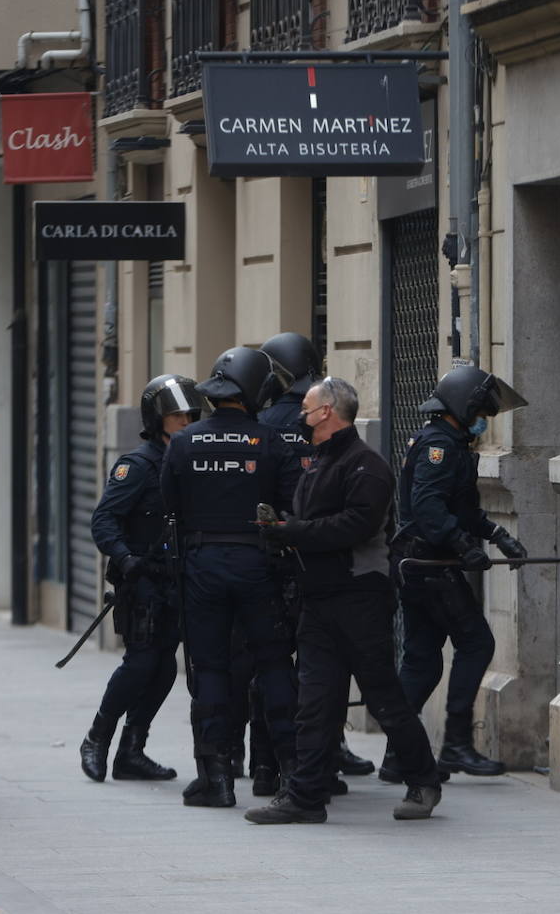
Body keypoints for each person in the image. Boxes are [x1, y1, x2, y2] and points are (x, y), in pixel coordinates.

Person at [245, 377, 442, 824]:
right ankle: (306, 797)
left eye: (309, 410)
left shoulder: (365, 467)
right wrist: (282, 532)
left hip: (360, 598)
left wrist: (292, 533)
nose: (301, 417)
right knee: (315, 701)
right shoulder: (318, 463)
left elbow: (353, 526)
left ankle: (424, 779)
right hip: (319, 599)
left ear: (329, 412)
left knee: (383, 697)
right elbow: (314, 521)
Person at [160, 346, 300, 808]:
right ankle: (289, 774)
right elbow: (291, 507)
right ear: (257, 388)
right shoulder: (272, 441)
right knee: (276, 664)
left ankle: (215, 778)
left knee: (211, 668)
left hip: (201, 566)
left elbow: (170, 508)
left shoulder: (183, 442)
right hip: (259, 565)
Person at [384, 365, 528, 782]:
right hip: (428, 563)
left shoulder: (450, 442)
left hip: (422, 561)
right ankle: (456, 746)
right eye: (483, 410)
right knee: (476, 642)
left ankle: (399, 756)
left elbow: (462, 509)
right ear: (465, 406)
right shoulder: (439, 446)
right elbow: (429, 508)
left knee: (422, 662)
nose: (485, 420)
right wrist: (464, 545)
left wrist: (497, 535)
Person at [259, 332, 375, 787]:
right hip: (325, 557)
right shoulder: (332, 428)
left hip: (279, 550)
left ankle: (269, 763)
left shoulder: (266, 420)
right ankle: (328, 753)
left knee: (273, 663)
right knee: (326, 666)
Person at [79, 375, 206, 784]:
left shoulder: (189, 460)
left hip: (178, 580)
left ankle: (132, 750)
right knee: (141, 663)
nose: (185, 420)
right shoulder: (137, 465)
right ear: (157, 419)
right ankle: (97, 737)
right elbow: (104, 519)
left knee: (166, 668)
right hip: (143, 581)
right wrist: (125, 558)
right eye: (176, 415)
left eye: (190, 413)